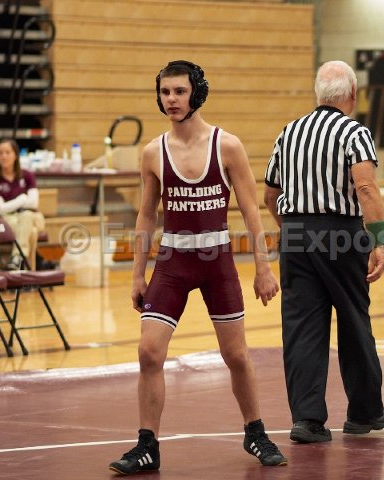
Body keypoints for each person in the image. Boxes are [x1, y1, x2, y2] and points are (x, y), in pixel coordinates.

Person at [108, 60, 287, 475]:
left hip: (216, 263)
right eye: (165, 92)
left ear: (197, 94)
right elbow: (146, 215)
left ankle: (256, 432)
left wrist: (263, 268)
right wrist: (137, 274)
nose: (171, 99)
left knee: (236, 354)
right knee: (148, 352)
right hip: (172, 263)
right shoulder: (153, 152)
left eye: (179, 92)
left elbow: (251, 210)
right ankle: (147, 445)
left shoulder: (227, 146)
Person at [263, 60, 384, 443]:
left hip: (295, 233)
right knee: (353, 319)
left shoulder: (289, 132)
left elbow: (270, 194)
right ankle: (364, 413)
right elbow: (365, 188)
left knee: (302, 327)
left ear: (318, 94)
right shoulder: (354, 132)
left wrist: (293, 231)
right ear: (352, 95)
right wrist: (378, 240)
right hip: (340, 234)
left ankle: (307, 420)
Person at [0, 138, 46, 270]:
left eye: (7, 152)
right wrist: (21, 199)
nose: (3, 156)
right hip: (9, 219)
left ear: (15, 155)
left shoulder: (28, 175)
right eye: (0, 153)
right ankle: (26, 272)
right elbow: (1, 209)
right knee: (31, 232)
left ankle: (17, 258)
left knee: (27, 216)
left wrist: (12, 205)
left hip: (33, 217)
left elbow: (34, 203)